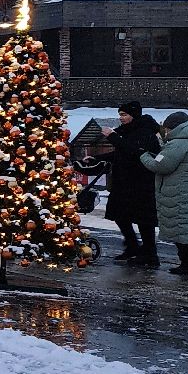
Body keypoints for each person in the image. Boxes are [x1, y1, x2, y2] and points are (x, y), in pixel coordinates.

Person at [77, 103, 161, 266]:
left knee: (143, 219)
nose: (121, 118)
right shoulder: (128, 131)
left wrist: (113, 137)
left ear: (134, 115)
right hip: (124, 181)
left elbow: (134, 152)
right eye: (120, 114)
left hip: (140, 182)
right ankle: (132, 246)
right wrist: (99, 158)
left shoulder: (144, 132)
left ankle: (150, 253)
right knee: (121, 214)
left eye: (124, 114)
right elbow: (121, 152)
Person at [141, 112, 188, 276]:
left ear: (173, 128)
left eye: (166, 128)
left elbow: (161, 165)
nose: (165, 132)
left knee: (183, 232)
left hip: (181, 196)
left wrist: (143, 156)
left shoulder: (179, 144)